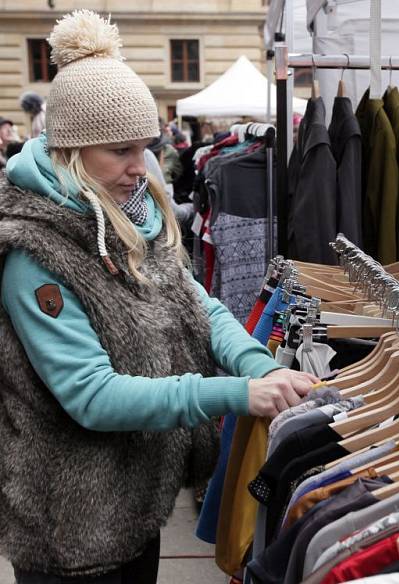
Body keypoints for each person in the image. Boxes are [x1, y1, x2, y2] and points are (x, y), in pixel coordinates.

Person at [0, 10, 318, 583]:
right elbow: (91, 395)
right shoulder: (33, 251)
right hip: (69, 530)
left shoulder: (132, 215)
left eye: (144, 148)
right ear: (72, 152)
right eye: (120, 151)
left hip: (135, 508)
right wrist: (239, 393)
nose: (139, 168)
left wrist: (261, 365)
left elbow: (196, 305)